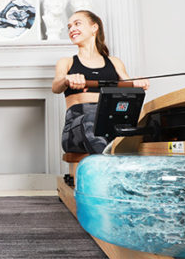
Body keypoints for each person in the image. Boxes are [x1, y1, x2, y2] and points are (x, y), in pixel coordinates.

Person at [52, 10, 149, 154]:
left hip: (110, 121)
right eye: (69, 27)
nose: (72, 29)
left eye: (77, 24)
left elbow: (130, 85)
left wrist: (138, 84)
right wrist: (67, 79)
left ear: (94, 28)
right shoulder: (66, 62)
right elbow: (56, 86)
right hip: (77, 127)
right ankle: (110, 166)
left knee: (148, 122)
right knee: (92, 120)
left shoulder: (114, 62)